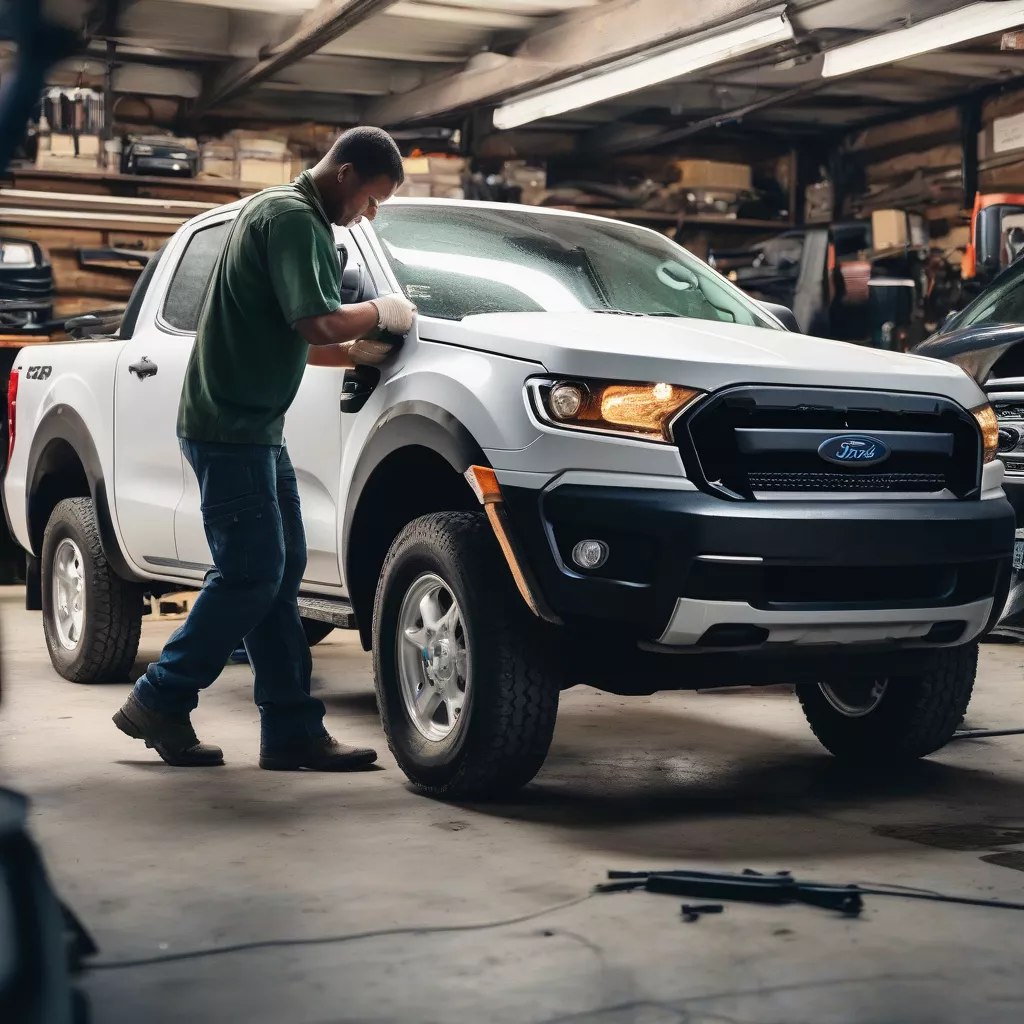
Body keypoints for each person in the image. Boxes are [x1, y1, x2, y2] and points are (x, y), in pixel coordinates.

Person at [113, 126, 415, 771]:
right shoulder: (295, 220)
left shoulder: (275, 209)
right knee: (252, 573)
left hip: (250, 428)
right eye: (371, 199)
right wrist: (385, 311)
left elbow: (309, 343)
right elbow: (320, 322)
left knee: (278, 574)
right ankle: (160, 695)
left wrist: (369, 351)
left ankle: (291, 731)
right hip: (231, 427)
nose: (369, 212)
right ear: (346, 174)